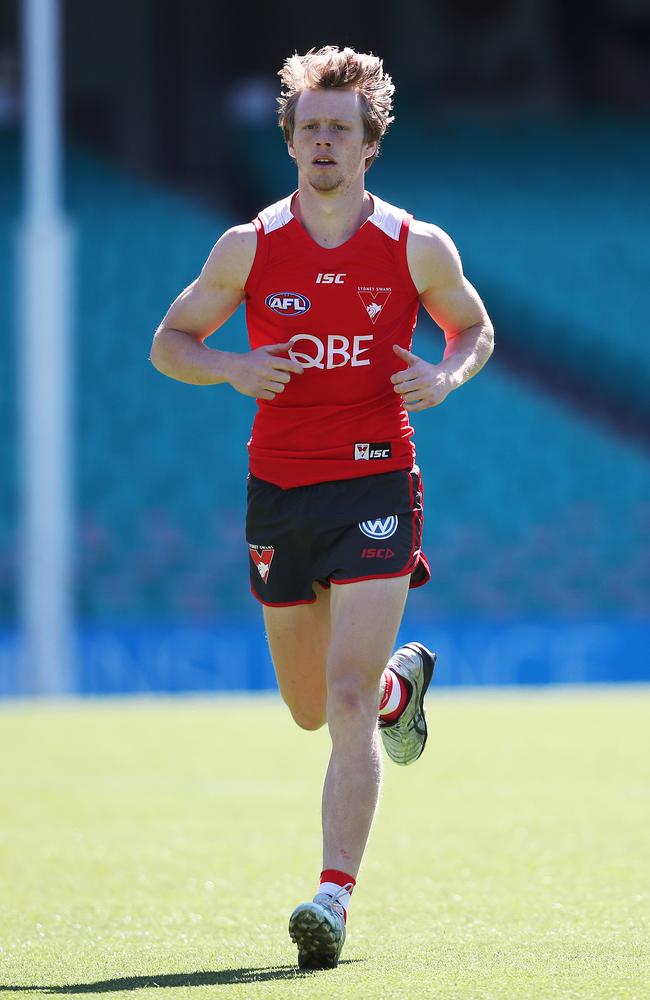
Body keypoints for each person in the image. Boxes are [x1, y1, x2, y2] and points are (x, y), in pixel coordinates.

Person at [150, 45, 494, 970]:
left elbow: (474, 326)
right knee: (313, 707)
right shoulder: (249, 246)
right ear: (292, 141)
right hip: (280, 488)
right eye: (310, 130)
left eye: (341, 129)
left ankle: (331, 901)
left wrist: (447, 374)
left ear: (370, 142)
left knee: (340, 698)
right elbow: (169, 343)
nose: (324, 144)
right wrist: (233, 366)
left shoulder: (416, 244)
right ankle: (399, 688)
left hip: (378, 480)